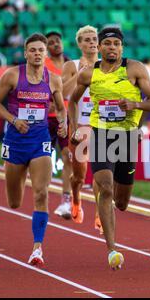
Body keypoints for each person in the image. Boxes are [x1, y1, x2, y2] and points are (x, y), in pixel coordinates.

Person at [69, 27, 150, 270]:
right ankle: (112, 249)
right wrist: (74, 128)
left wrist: (135, 103)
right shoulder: (88, 74)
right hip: (101, 134)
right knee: (106, 186)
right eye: (107, 43)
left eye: (116, 44)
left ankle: (109, 205)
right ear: (99, 48)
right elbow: (72, 101)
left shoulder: (135, 69)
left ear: (122, 48)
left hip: (127, 137)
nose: (112, 47)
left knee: (121, 202)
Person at [0, 33, 67, 267]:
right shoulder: (12, 75)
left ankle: (37, 248)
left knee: (41, 193)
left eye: (40, 50)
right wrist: (13, 120)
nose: (36, 54)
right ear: (25, 53)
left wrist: (63, 123)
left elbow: (61, 109)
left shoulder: (53, 79)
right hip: (15, 141)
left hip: (40, 140)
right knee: (14, 202)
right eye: (32, 50)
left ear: (45, 53)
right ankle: (18, 175)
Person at [62, 25, 102, 232]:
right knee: (79, 177)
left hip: (101, 125)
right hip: (79, 126)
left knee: (101, 174)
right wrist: (80, 73)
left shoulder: (107, 65)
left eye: (94, 38)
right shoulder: (72, 65)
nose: (92, 42)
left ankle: (99, 212)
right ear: (79, 43)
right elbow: (62, 94)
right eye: (86, 39)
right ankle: (76, 198)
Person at [44, 31, 74, 219]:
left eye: (58, 41)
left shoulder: (70, 64)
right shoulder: (44, 65)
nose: (56, 44)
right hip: (47, 117)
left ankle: (66, 199)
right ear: (47, 47)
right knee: (44, 158)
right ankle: (42, 196)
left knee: (67, 156)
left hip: (66, 116)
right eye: (52, 42)